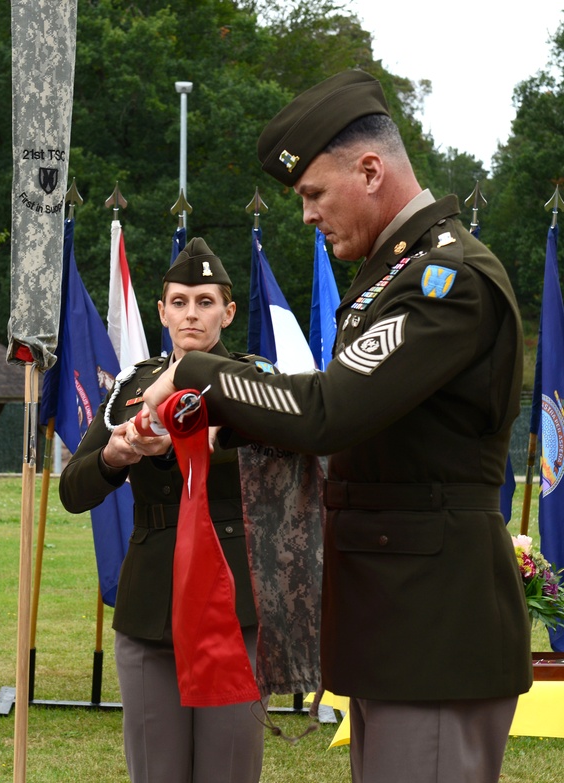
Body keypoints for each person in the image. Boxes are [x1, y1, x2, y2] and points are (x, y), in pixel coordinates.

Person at [142, 70, 532, 783]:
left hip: (434, 631)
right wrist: (227, 424)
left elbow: (329, 412)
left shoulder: (447, 280)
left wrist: (200, 374)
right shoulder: (392, 277)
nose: (307, 216)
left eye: (315, 194)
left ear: (371, 170)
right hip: (398, 625)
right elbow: (351, 421)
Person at [59, 238, 268, 783]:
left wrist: (194, 437)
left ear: (229, 310)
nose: (191, 313)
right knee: (155, 769)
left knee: (229, 768)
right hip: (152, 604)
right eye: (179, 301)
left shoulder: (255, 381)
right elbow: (73, 491)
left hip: (231, 602)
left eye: (204, 301)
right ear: (161, 311)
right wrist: (114, 454)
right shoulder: (132, 387)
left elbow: (282, 453)